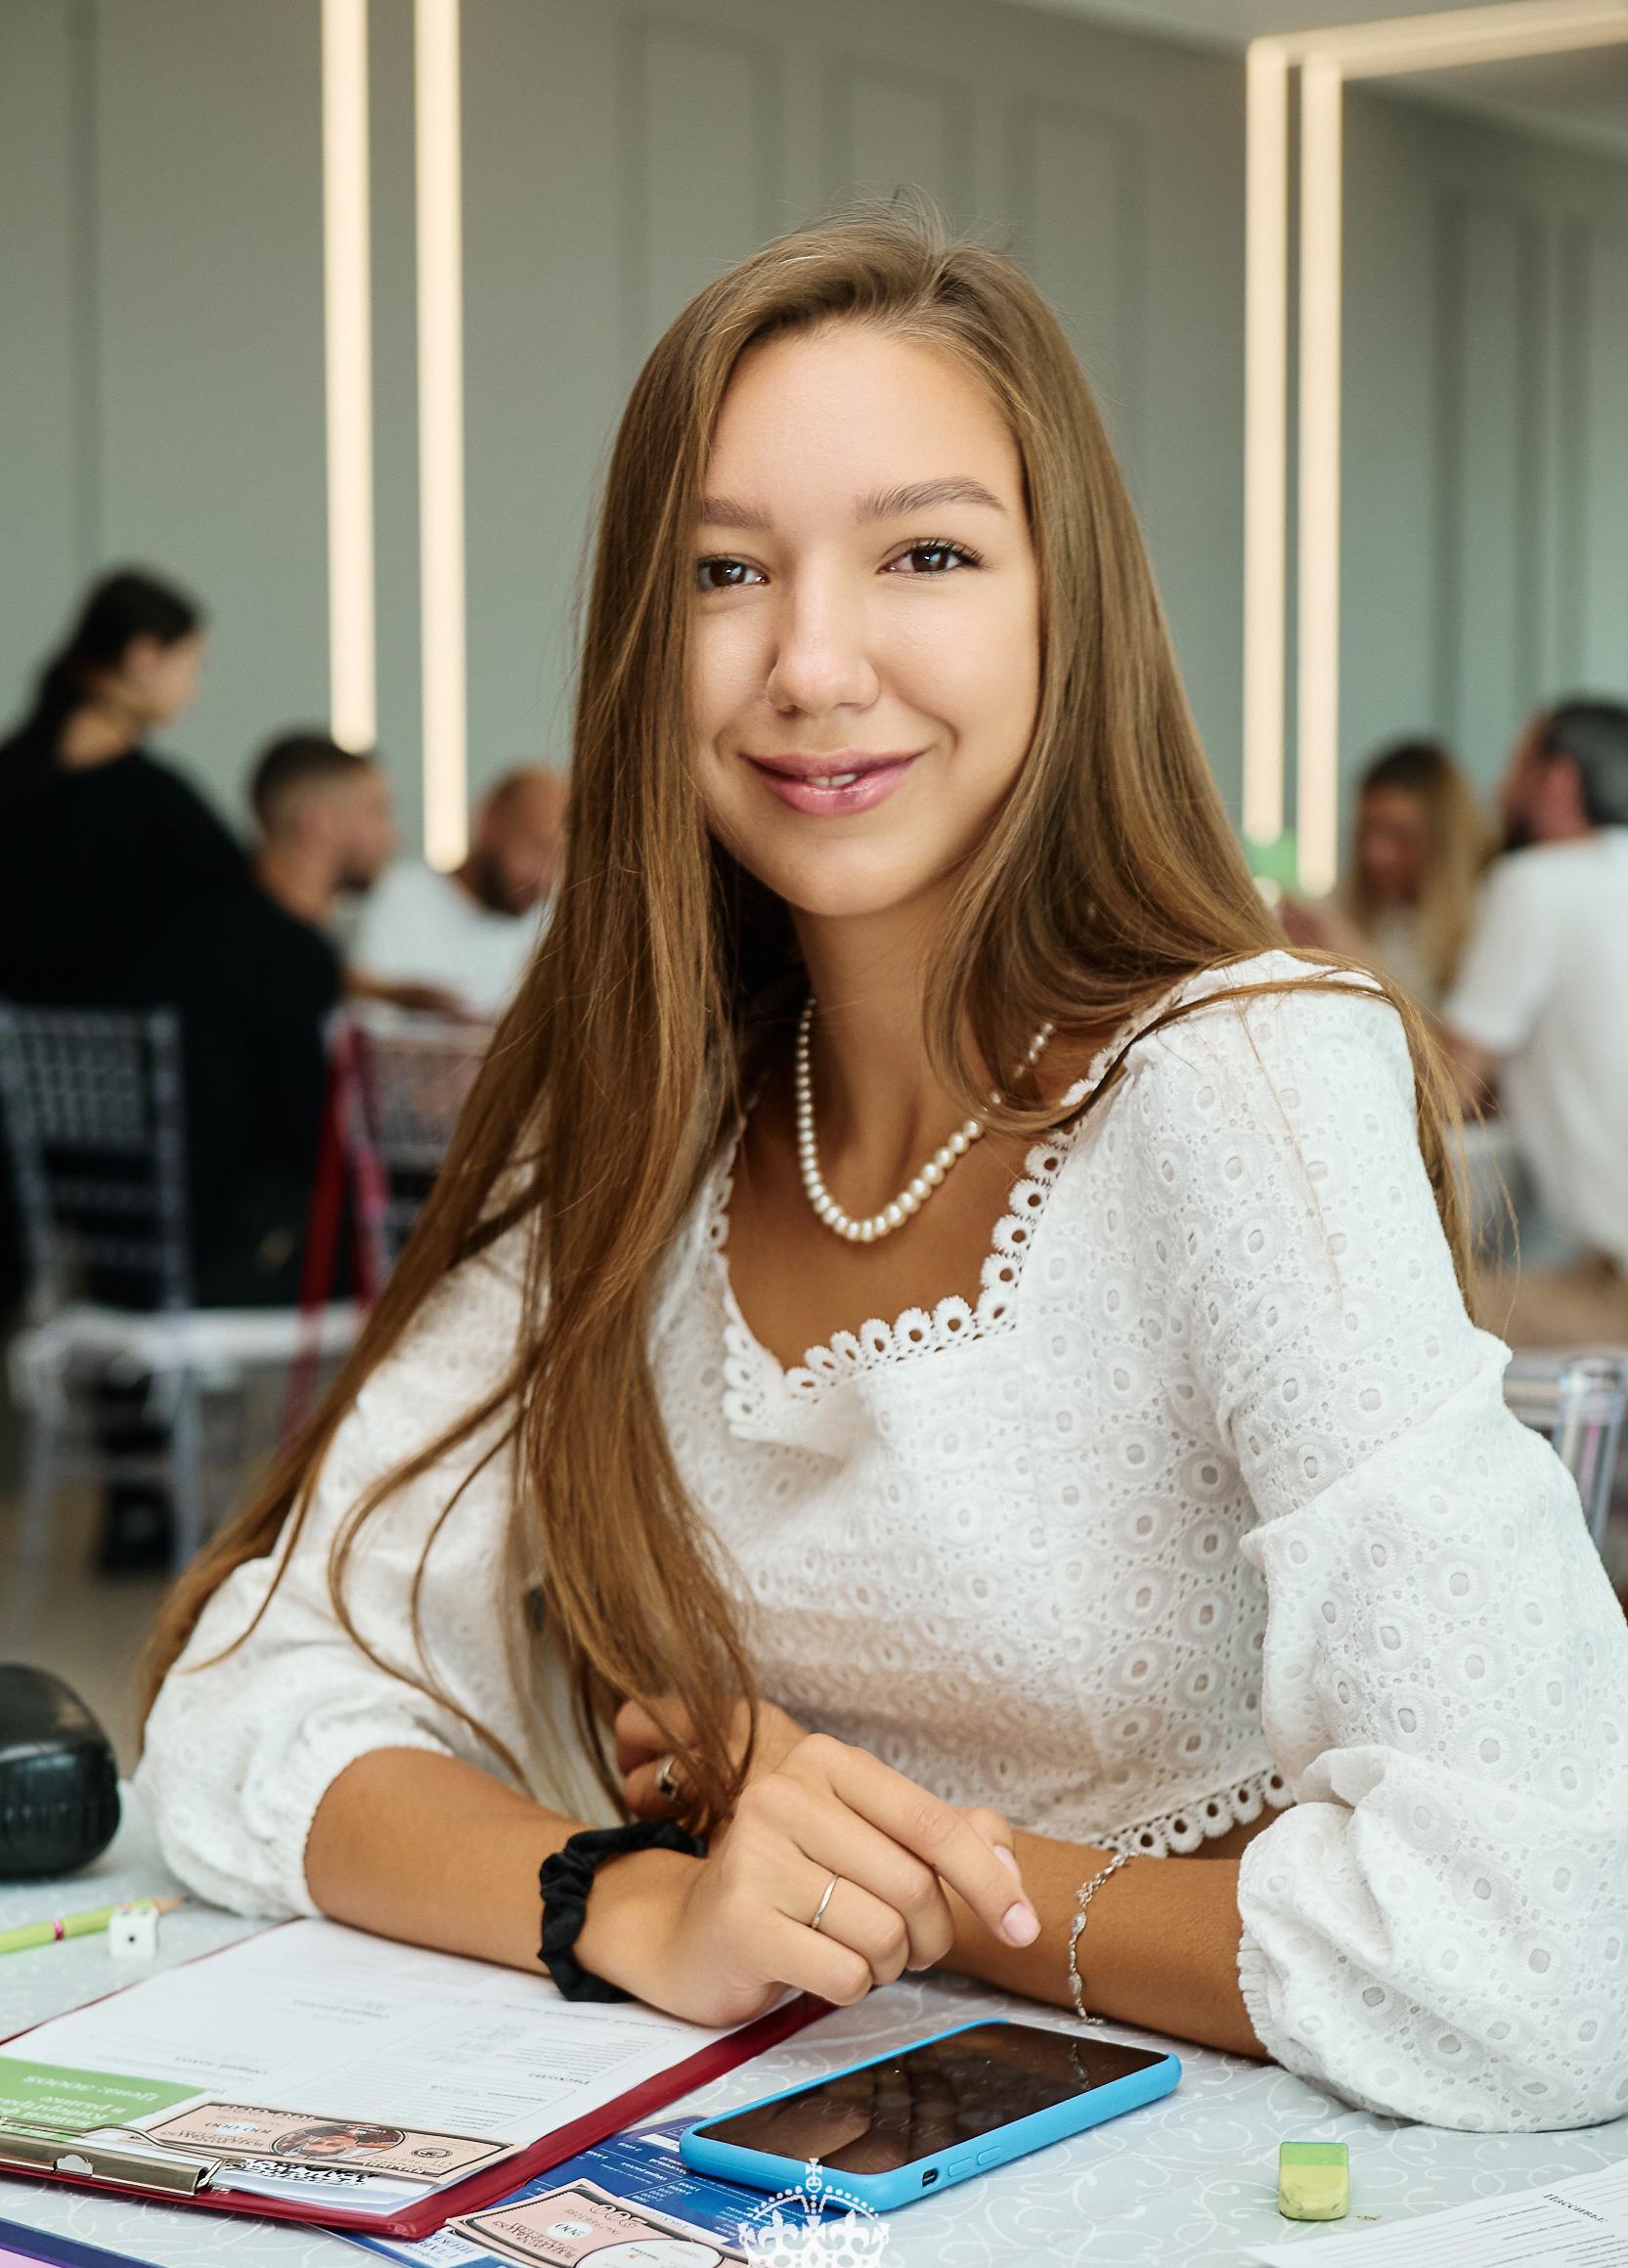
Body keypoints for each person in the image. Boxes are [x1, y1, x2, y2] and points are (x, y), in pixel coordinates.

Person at [138, 204, 1628, 2135]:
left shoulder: (1240, 1074)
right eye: (724, 571)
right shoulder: (652, 1120)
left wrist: (918, 1882)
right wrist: (639, 1899)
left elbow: (1542, 1955)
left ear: (1062, 606)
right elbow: (241, 1716)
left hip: (1240, 2187)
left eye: (925, 553)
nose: (812, 662)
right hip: (816, 2168)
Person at [133, 732, 397, 1308]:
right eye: (378, 811)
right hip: (246, 1256)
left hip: (139, 1255)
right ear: (318, 822)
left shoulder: (196, 931)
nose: (391, 836)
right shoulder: (289, 957)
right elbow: (316, 1137)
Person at [1442, 699, 1628, 1346]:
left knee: (1406, 1308)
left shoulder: (1535, 884)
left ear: (1558, 781)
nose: (1498, 788)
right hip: (1595, 1266)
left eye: (1514, 766)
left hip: (1614, 1289)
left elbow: (1450, 1086)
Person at [0, 568, 244, 1007]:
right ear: (143, 656)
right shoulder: (156, 804)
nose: (194, 690)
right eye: (193, 665)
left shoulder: (15, 772)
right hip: (120, 1040)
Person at [1281, 740, 1489, 1013]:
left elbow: (1447, 1040)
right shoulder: (1342, 909)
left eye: (1401, 836)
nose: (1376, 853)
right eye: (1367, 830)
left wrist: (1356, 960)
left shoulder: (1487, 913)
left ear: (1444, 839)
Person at [350, 764, 566, 1017]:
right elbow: (363, 1014)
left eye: (561, 859)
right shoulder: (399, 896)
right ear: (489, 822)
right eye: (539, 848)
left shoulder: (550, 923)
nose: (546, 877)